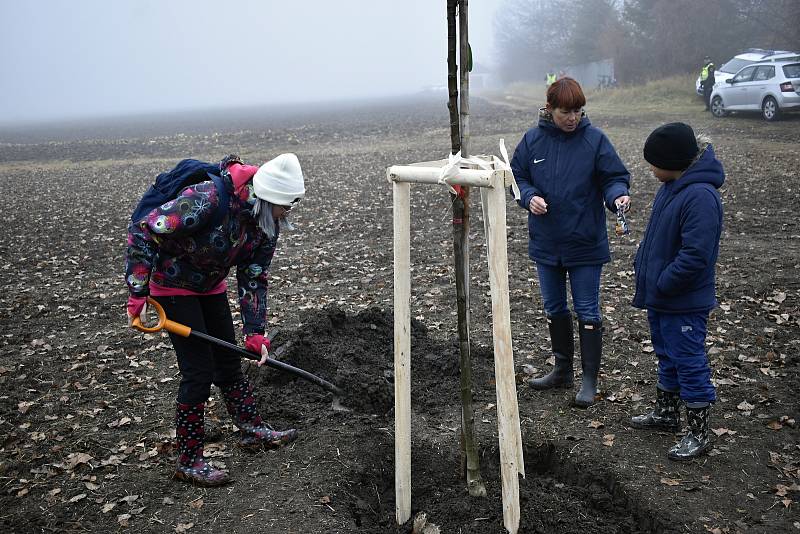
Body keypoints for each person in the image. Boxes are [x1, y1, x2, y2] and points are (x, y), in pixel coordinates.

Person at [125, 153, 305, 485]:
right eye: (285, 207)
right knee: (199, 371)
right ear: (268, 198)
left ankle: (251, 431)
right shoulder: (207, 198)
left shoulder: (266, 226)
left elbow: (254, 276)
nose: (286, 214)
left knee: (229, 361)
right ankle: (189, 459)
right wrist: (138, 290)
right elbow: (146, 230)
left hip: (210, 285)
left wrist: (255, 332)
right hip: (172, 285)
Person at [511, 77, 631, 408]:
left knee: (588, 310)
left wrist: (618, 196)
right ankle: (562, 369)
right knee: (554, 307)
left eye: (578, 111)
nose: (573, 118)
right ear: (550, 109)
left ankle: (589, 379)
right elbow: (515, 177)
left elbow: (614, 177)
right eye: (566, 112)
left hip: (585, 243)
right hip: (547, 243)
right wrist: (529, 196)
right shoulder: (532, 141)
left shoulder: (595, 140)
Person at [630, 122, 724, 460]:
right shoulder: (671, 186)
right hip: (663, 298)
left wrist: (665, 281)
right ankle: (666, 413)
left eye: (654, 163)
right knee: (667, 354)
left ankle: (699, 432)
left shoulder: (700, 195)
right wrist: (643, 261)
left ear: (674, 162)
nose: (651, 169)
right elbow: (660, 237)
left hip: (682, 299)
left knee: (688, 360)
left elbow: (697, 254)